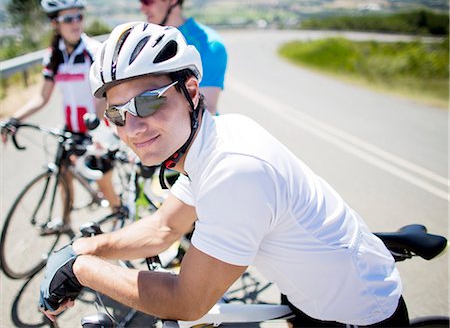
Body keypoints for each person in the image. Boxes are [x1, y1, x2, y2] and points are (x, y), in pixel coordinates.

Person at [39, 22, 409, 327]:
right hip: (308, 292)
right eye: (117, 114)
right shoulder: (212, 139)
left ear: (191, 91)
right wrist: (82, 248)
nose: (133, 127)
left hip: (357, 313)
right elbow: (163, 228)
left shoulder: (234, 169)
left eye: (148, 101)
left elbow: (187, 301)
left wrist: (82, 270)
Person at [1, 0, 122, 233]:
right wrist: (14, 118)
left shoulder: (93, 52)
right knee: (63, 175)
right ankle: (66, 222)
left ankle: (119, 218)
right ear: (55, 23)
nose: (75, 22)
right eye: (68, 18)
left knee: (103, 181)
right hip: (70, 128)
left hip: (95, 128)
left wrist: (95, 123)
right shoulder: (54, 56)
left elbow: (104, 94)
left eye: (79, 15)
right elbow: (42, 96)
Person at [123, 0, 227, 115]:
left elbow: (207, 110)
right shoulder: (144, 42)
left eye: (148, 0)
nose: (142, 8)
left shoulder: (209, 45)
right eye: (140, 0)